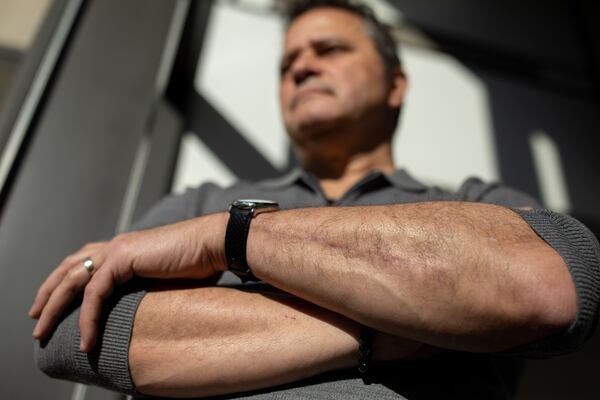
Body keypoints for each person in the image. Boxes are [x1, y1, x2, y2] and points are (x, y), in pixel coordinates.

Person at [31, 0, 600, 398]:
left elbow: (551, 288)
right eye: (287, 64)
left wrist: (227, 238)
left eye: (328, 49)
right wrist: (405, 325)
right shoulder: (199, 198)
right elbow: (71, 333)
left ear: (396, 84)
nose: (302, 66)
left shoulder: (477, 205)